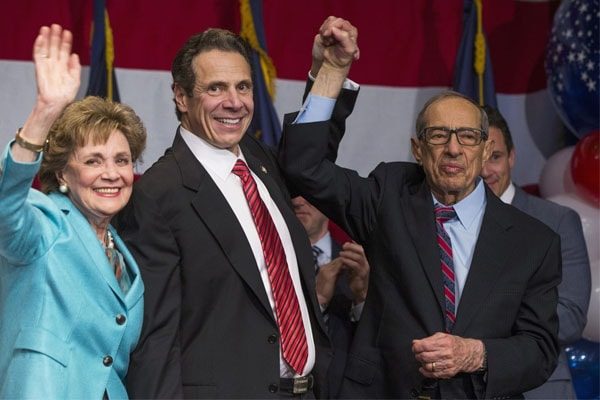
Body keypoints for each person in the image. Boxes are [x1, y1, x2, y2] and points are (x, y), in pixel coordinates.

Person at [279, 18, 562, 399]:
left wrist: (475, 353)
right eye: (438, 135)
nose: (453, 148)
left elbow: (540, 350)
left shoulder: (534, 242)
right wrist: (330, 72)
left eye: (467, 137)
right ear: (417, 149)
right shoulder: (388, 196)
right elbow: (304, 168)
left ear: (483, 151)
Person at [116, 20, 357, 399]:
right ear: (181, 96)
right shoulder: (159, 194)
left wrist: (328, 72)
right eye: (216, 88)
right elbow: (155, 338)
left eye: (243, 87)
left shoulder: (261, 159)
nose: (235, 102)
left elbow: (311, 156)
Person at [0, 25, 147, 399]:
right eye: (94, 161)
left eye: (122, 160)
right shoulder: (45, 225)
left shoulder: (123, 252)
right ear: (64, 172)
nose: (111, 173)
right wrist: (44, 112)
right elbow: (5, 207)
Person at [481, 105, 591, 399]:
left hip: (539, 389)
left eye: (495, 157)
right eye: (477, 158)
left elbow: (570, 317)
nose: (486, 170)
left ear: (512, 157)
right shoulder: (445, 223)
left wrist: (483, 329)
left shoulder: (557, 221)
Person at [292, 195, 369, 397]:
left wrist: (362, 296)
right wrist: (318, 299)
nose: (298, 202)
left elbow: (379, 342)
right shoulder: (272, 260)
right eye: (291, 194)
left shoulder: (361, 262)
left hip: (343, 389)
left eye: (306, 195)